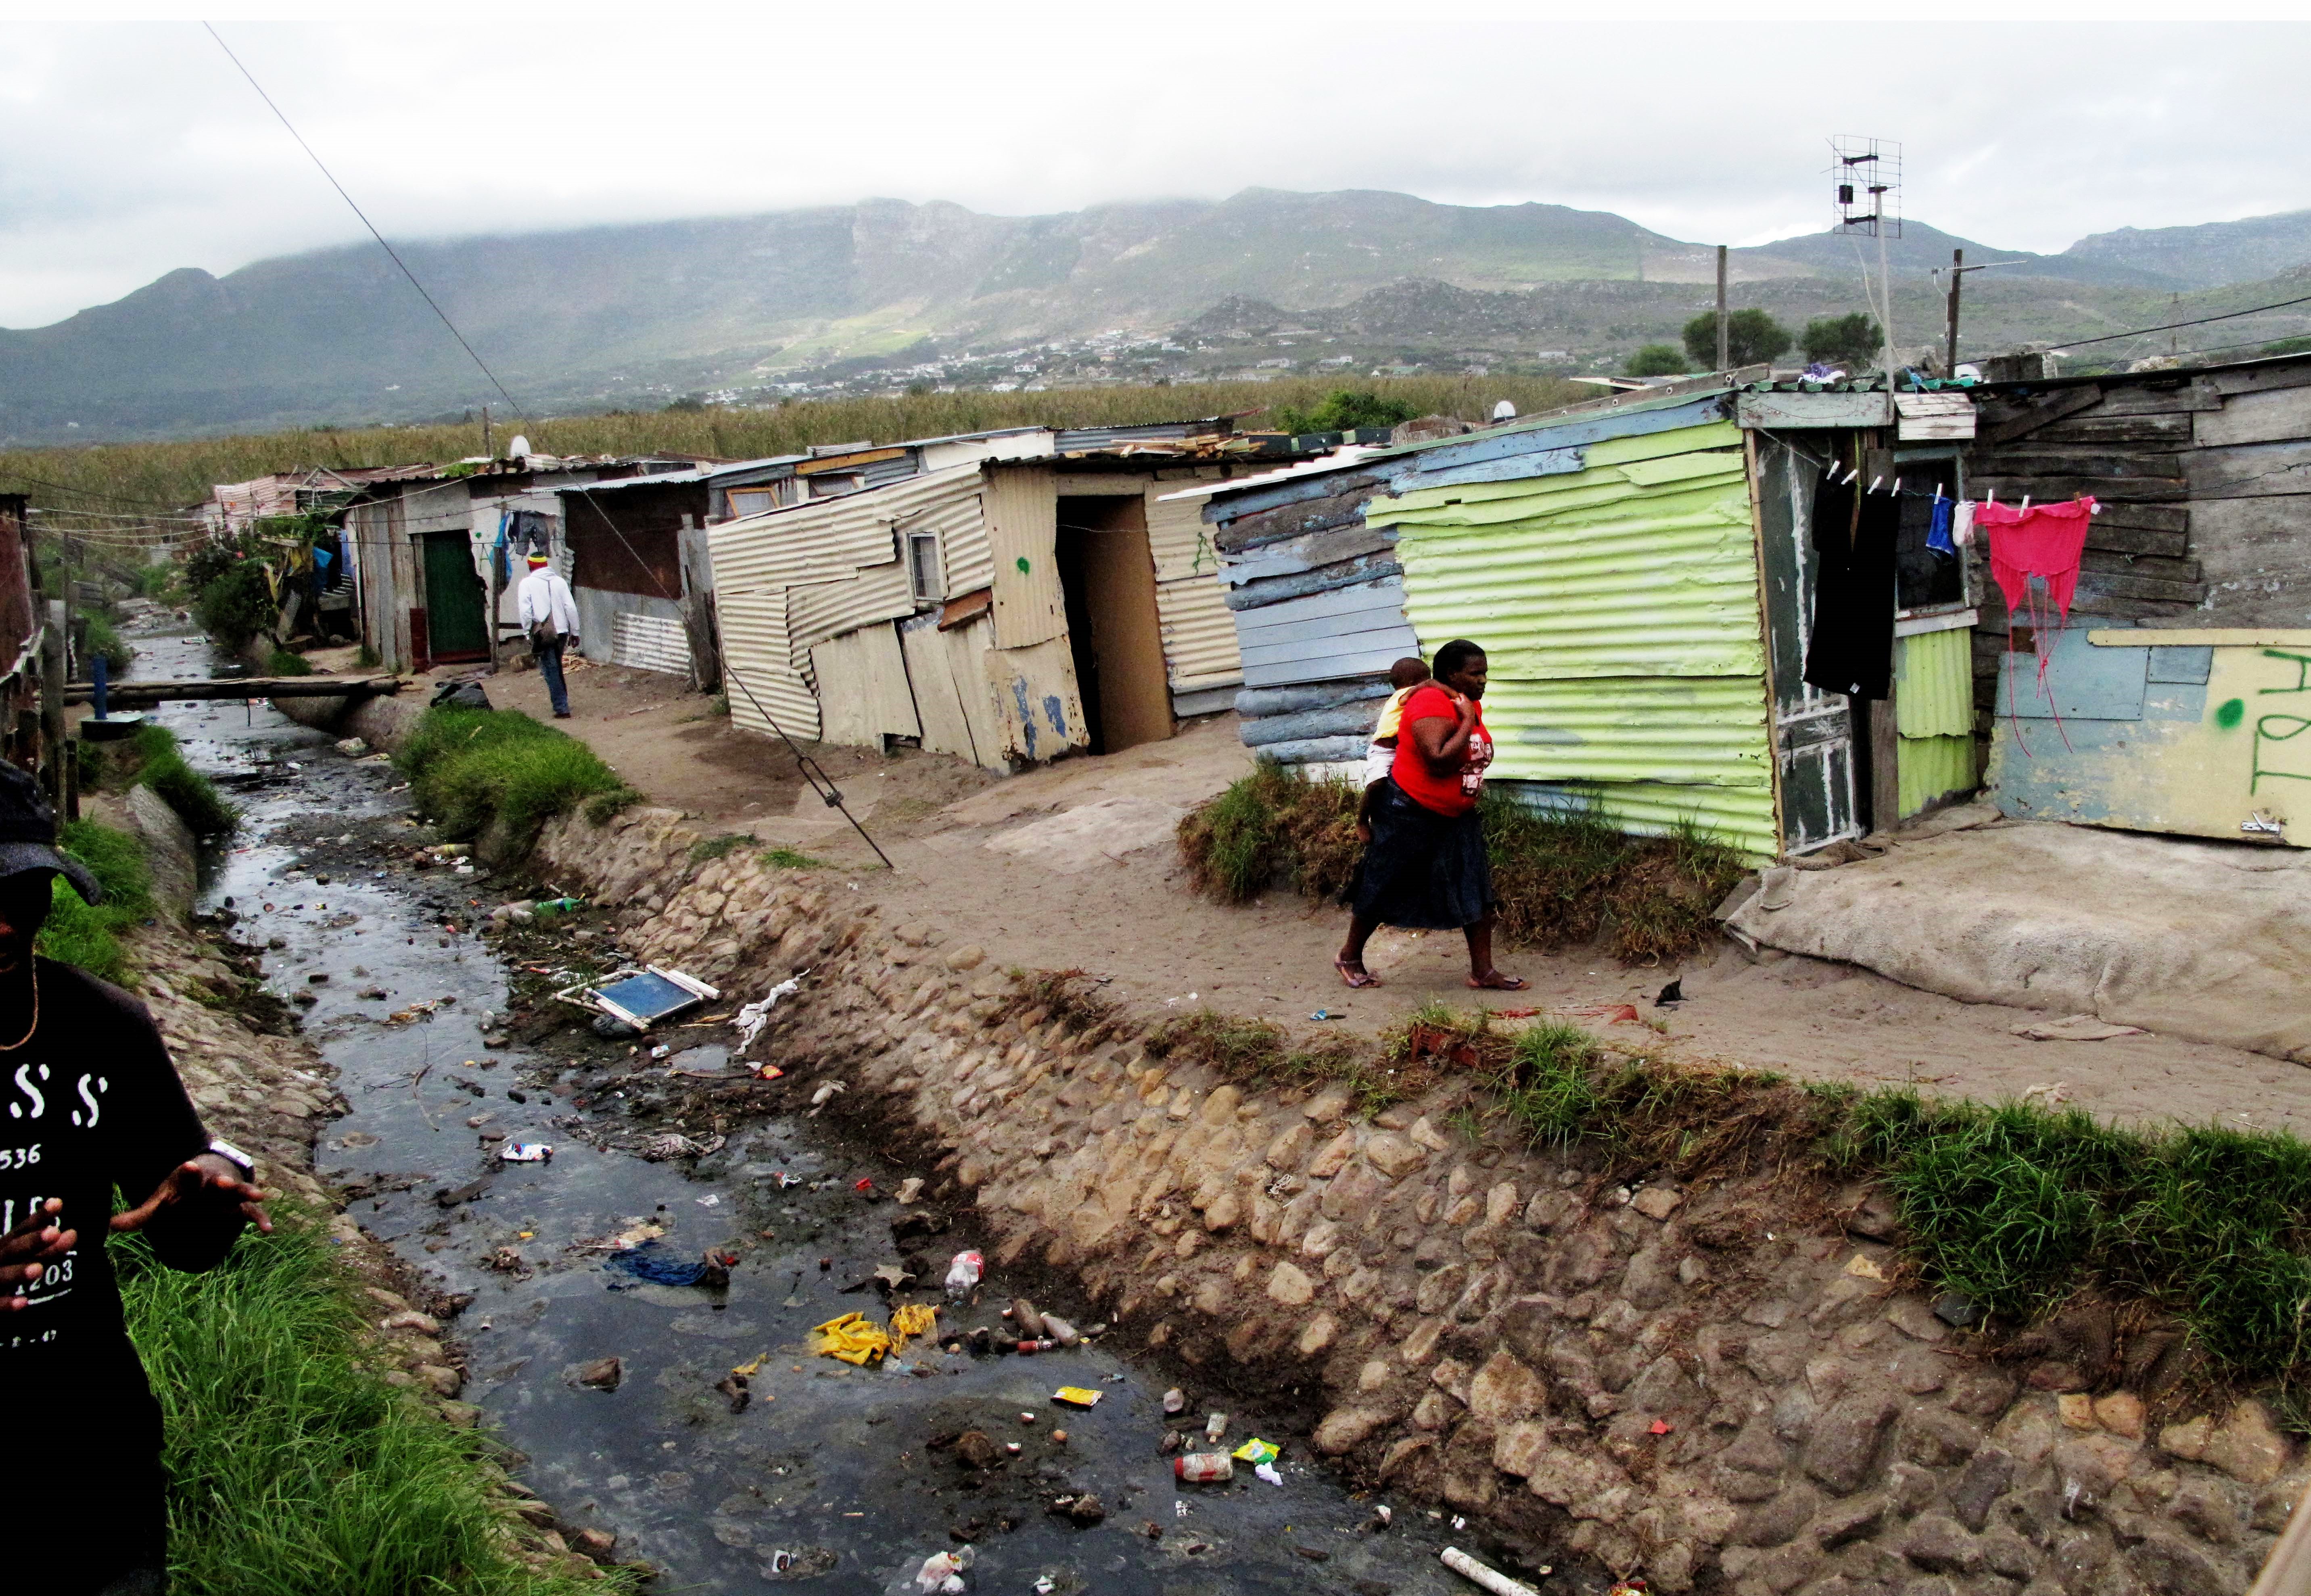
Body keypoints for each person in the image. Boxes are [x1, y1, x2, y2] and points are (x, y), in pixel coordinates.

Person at [0, 759, 273, 1594]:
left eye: (21, 896)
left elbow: (185, 1234)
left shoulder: (102, 1027)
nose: (5, 927)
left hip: (88, 1443)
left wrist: (211, 1189)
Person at [1335, 638, 1526, 992]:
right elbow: (1438, 760)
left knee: (1476, 889)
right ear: (1453, 674)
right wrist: (1467, 719)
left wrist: (1469, 716)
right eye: (1476, 673)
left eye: (1486, 673)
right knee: (1384, 884)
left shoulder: (1464, 701)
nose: (1484, 680)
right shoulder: (1430, 703)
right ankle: (1349, 956)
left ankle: (1482, 972)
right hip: (1411, 814)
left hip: (1456, 816)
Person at [1354, 656, 1431, 844]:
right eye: (1426, 681)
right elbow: (1407, 697)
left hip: (1400, 752)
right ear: (1413, 683)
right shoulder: (1402, 696)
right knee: (1377, 784)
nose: (1429, 685)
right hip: (1383, 751)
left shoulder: (1415, 696)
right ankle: (1362, 821)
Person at [516, 552, 581, 719]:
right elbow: (571, 608)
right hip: (561, 633)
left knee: (550, 670)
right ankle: (563, 701)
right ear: (546, 566)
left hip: (542, 634)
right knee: (557, 667)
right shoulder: (560, 582)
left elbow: (526, 612)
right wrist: (575, 632)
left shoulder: (527, 584)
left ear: (531, 566)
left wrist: (527, 633)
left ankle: (562, 707)